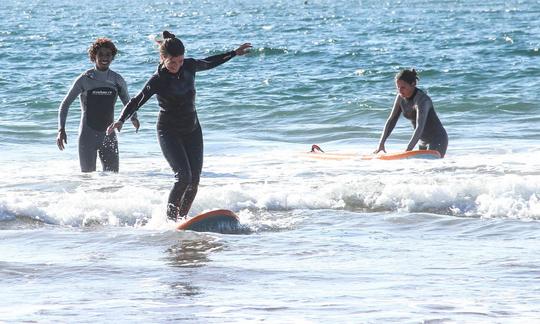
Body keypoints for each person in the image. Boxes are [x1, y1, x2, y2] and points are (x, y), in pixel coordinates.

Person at [107, 31, 251, 221]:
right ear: (163, 58)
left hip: (192, 128)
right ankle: (170, 220)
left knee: (194, 180)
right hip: (169, 131)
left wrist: (233, 53)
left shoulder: (189, 66)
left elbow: (209, 62)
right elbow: (137, 100)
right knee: (183, 177)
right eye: (173, 62)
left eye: (180, 61)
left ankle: (182, 219)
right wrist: (121, 119)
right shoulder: (158, 80)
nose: (178, 66)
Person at [56, 37, 139, 172]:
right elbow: (65, 104)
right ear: (94, 56)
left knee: (112, 179)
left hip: (109, 136)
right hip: (87, 136)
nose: (104, 58)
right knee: (87, 179)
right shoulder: (84, 79)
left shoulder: (117, 79)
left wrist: (134, 117)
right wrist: (61, 130)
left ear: (112, 57)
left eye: (108, 55)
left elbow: (128, 102)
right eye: (100, 54)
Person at [374, 69, 448, 158]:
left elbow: (419, 127)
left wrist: (407, 151)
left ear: (413, 84)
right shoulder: (400, 98)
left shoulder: (422, 100)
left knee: (432, 168)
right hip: (421, 141)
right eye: (398, 87)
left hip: (437, 139)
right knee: (422, 170)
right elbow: (391, 120)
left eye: (403, 87)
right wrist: (381, 144)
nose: (400, 91)